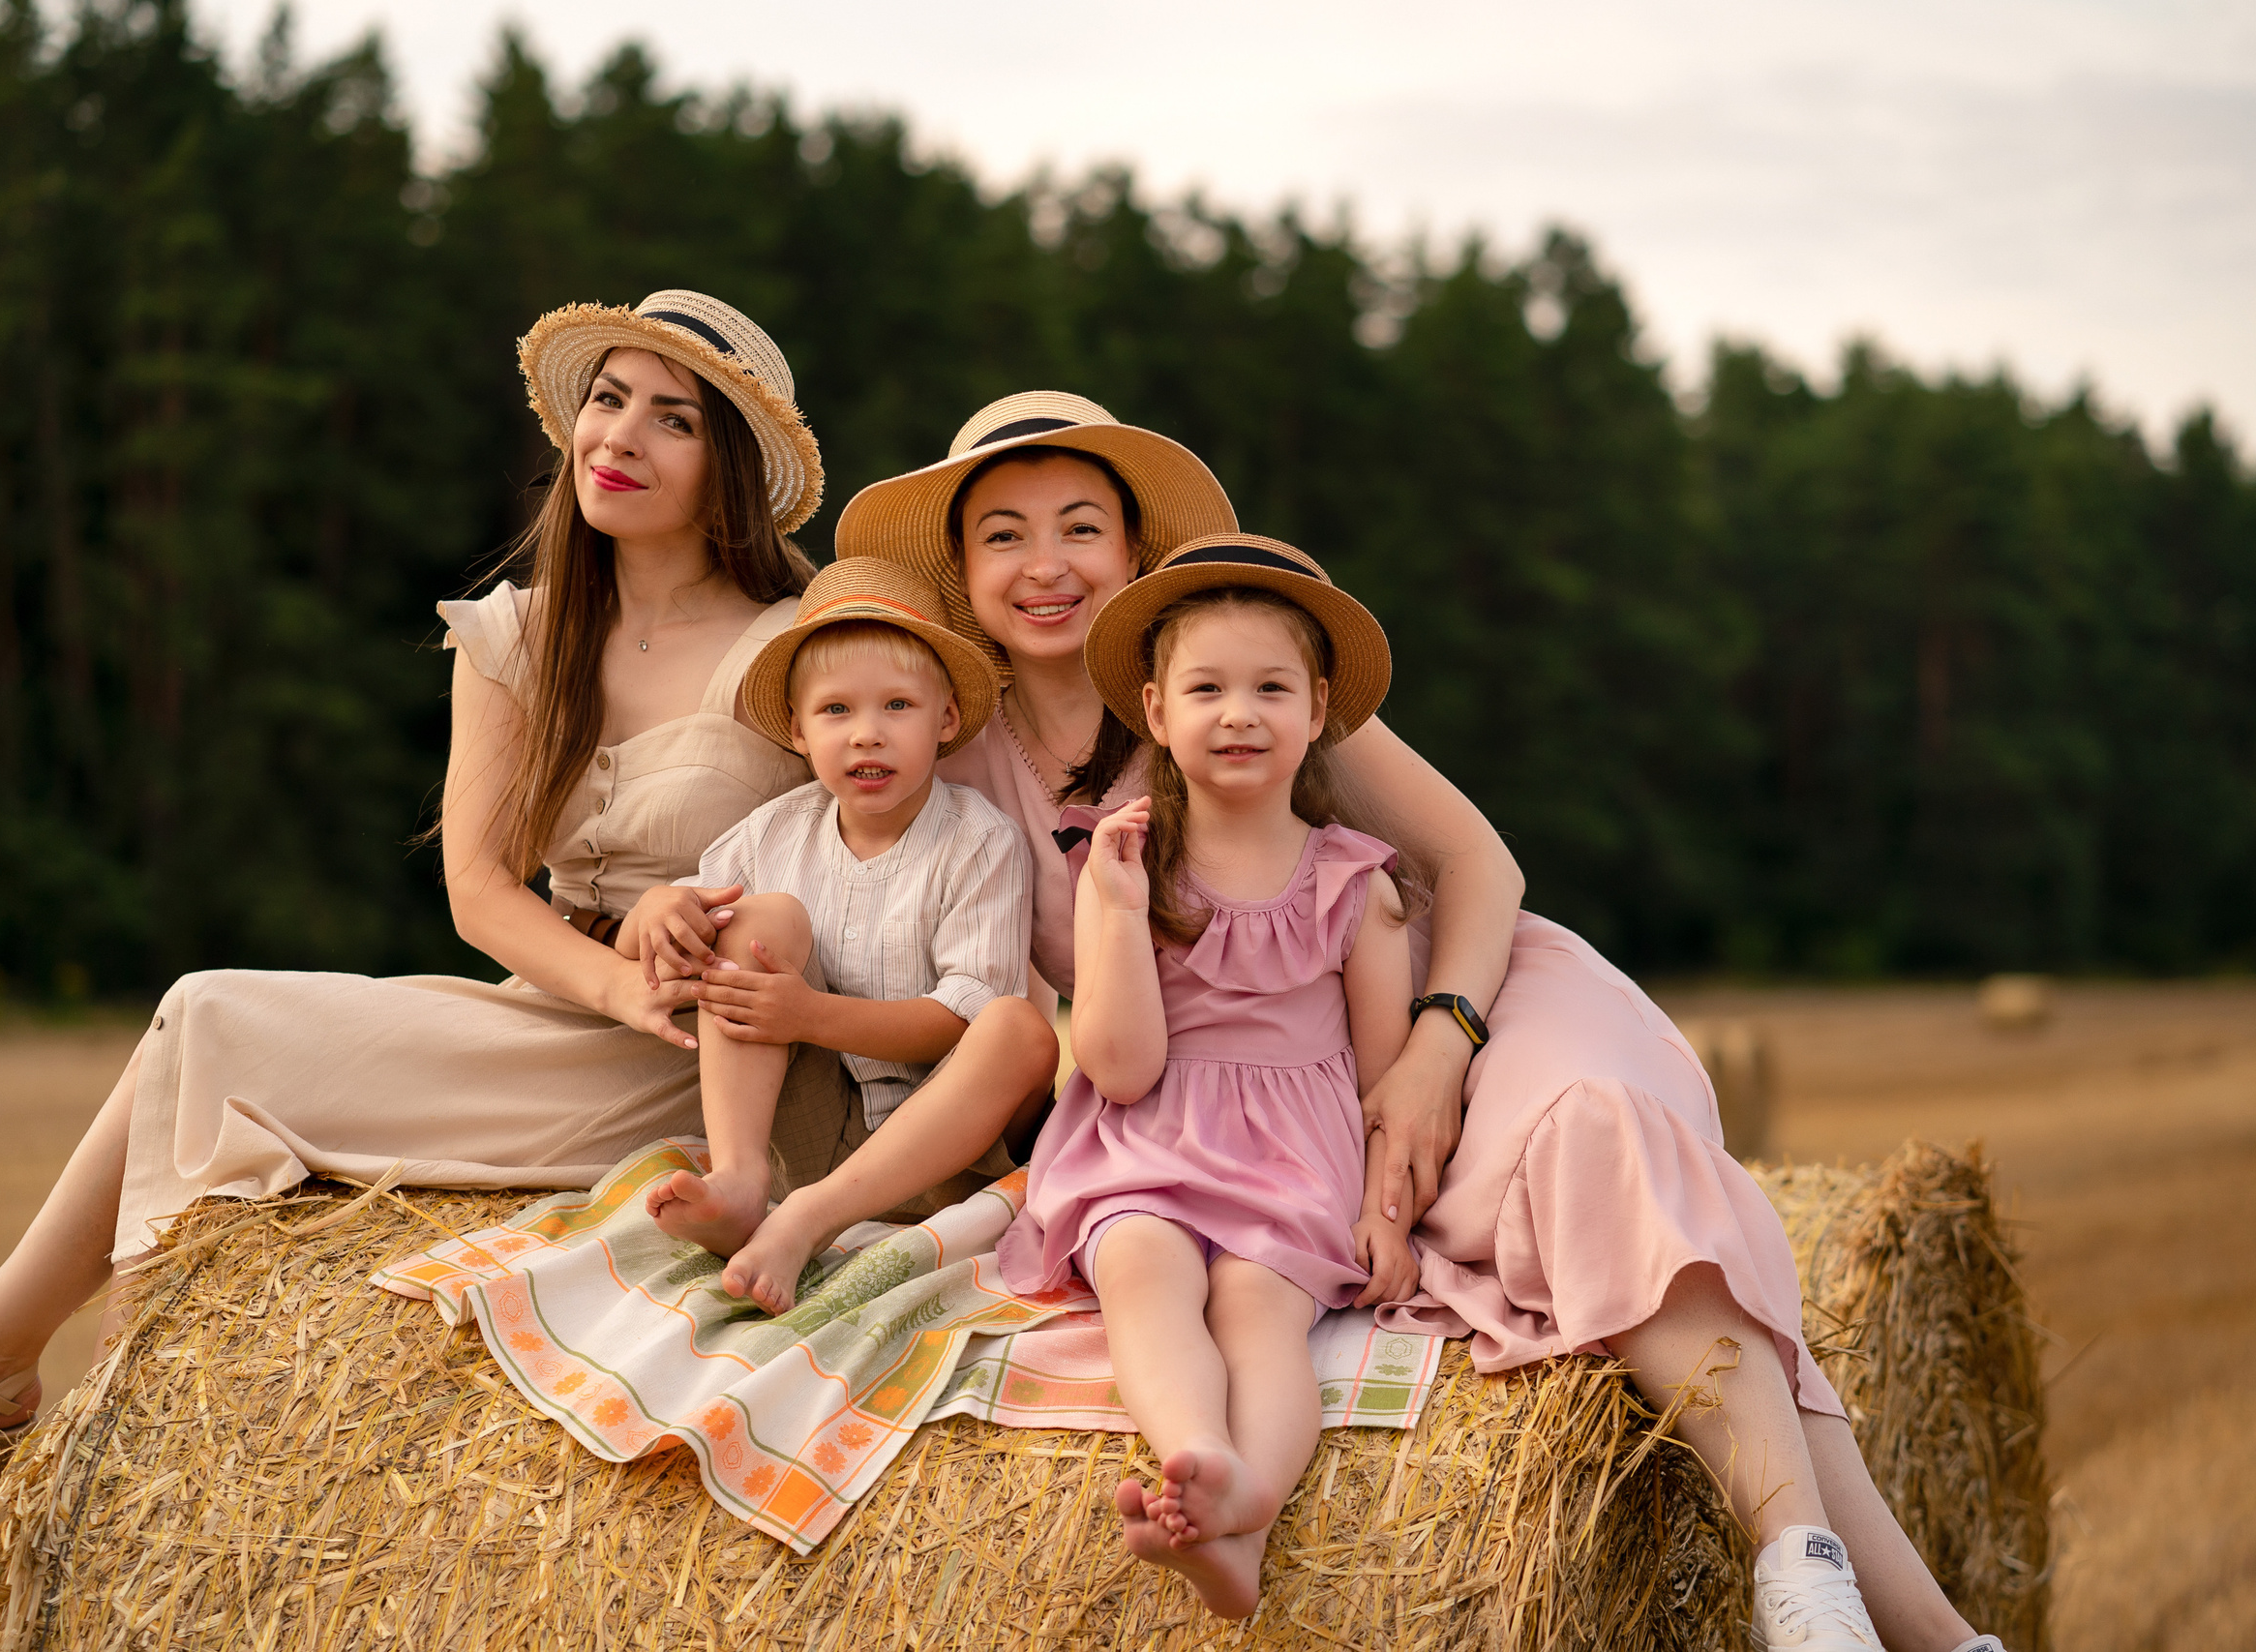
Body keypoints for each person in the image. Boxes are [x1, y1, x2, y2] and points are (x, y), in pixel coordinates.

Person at [840, 394, 2005, 1652]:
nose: (1046, 563)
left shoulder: (1237, 672)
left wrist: (1439, 1046)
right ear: (962, 573)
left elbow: (1480, 863)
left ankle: (1800, 1572)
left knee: (1598, 1145)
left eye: (1081, 525)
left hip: (1468, 985)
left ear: (1134, 557)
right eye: (1003, 534)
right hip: (1275, 1092)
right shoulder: (951, 766)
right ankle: (1936, 1637)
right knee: (1628, 1241)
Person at [0, 290, 861, 1497]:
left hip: (724, 1057)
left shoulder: (799, 643)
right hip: (566, 1004)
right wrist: (610, 982)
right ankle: (23, 1389)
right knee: (204, 1014)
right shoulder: (520, 633)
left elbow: (891, 835)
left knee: (202, 1024)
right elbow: (478, 889)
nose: (619, 437)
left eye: (674, 421)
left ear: (731, 471)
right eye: (607, 401)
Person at [997, 539, 1423, 1619]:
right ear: (1153, 708)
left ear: (1318, 708)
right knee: (1141, 1265)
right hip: (1146, 1133)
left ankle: (1248, 1503)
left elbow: (1385, 1082)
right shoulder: (1117, 861)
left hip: (1292, 1148)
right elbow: (1124, 1068)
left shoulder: (1354, 883)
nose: (1238, 713)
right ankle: (1193, 1456)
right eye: (1206, 689)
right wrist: (1125, 912)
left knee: (1256, 1305)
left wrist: (1388, 1216)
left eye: (1270, 688)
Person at [623, 557, 1058, 1312]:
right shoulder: (774, 832)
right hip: (818, 1130)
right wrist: (658, 907)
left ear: (945, 719)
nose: (867, 735)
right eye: (835, 712)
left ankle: (807, 1220)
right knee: (759, 916)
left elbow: (959, 1017)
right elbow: (659, 934)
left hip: (950, 1148)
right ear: (796, 728)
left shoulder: (981, 841)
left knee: (1017, 1026)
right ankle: (741, 1179)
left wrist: (808, 1015)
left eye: (897, 705)